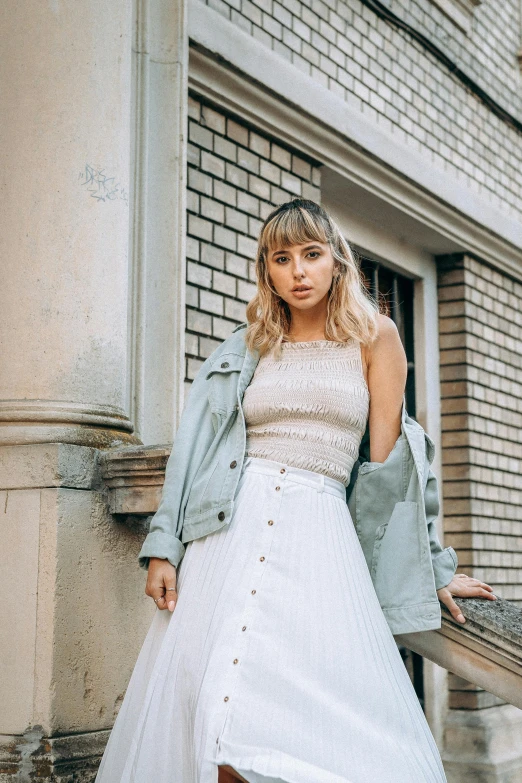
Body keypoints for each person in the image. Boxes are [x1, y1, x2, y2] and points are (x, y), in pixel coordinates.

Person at [95, 198, 496, 783]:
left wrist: (432, 565)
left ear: (337, 261)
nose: (299, 271)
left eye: (311, 255)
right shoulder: (247, 346)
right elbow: (194, 450)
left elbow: (395, 473)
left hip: (320, 542)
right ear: (267, 271)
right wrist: (164, 546)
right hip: (226, 536)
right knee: (215, 722)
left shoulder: (375, 338)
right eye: (282, 259)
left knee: (307, 726)